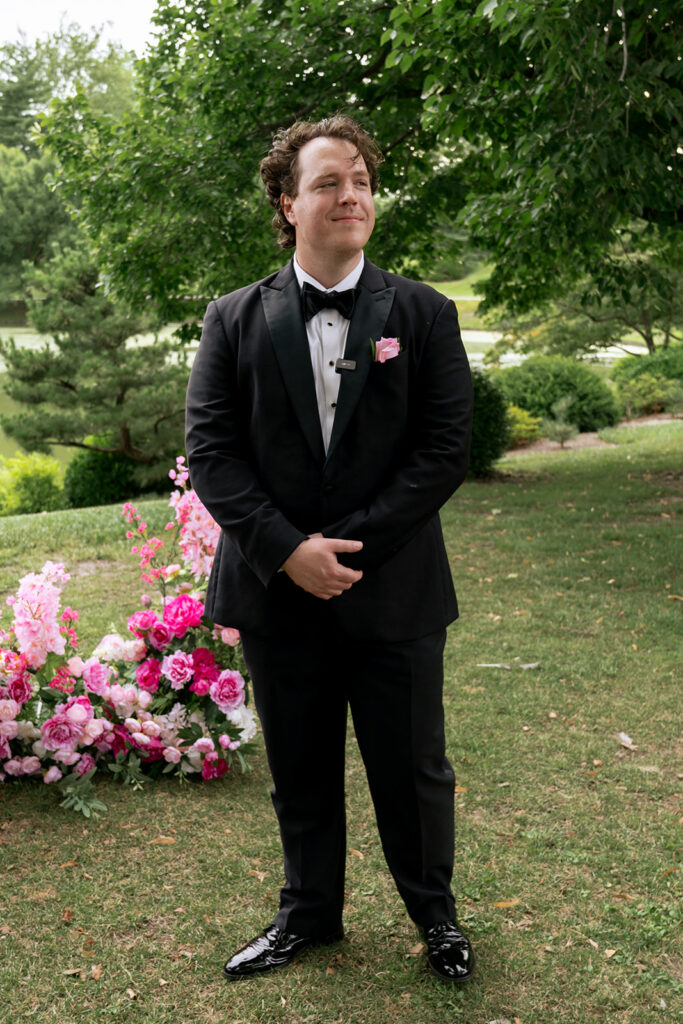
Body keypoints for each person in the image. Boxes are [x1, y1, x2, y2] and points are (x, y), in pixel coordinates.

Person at [185, 115, 475, 984]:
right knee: (299, 766)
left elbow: (441, 449)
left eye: (360, 181)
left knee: (413, 766)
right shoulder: (231, 317)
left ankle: (437, 918)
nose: (349, 194)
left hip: (393, 587)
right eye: (326, 182)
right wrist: (287, 552)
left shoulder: (423, 312)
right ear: (287, 202)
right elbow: (213, 452)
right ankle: (307, 916)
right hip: (276, 591)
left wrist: (346, 549)